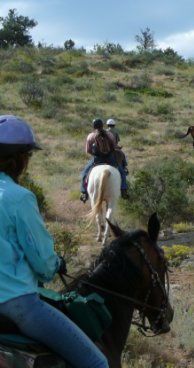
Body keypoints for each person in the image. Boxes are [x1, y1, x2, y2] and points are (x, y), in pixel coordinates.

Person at [0, 115, 109, 367]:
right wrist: (55, 263)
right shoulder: (19, 198)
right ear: (19, 159)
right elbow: (43, 263)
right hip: (17, 304)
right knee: (97, 363)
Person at [80, 118, 129, 203]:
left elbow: (88, 151)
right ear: (102, 125)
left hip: (97, 159)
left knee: (84, 174)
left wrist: (96, 155)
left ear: (93, 126)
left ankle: (84, 193)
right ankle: (124, 190)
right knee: (122, 173)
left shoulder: (91, 136)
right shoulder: (109, 134)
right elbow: (114, 147)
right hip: (110, 159)